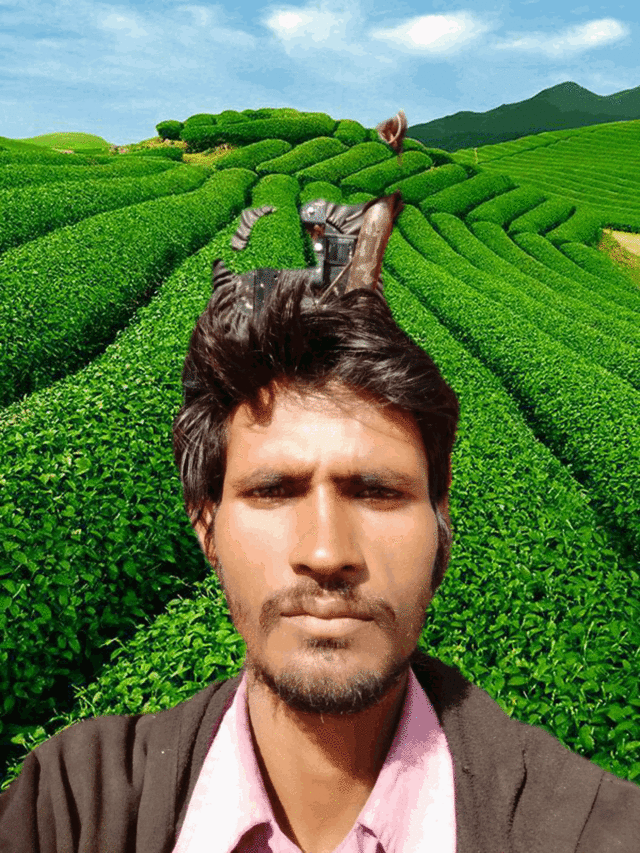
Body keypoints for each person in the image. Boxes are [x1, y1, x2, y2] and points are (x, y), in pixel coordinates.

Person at [1, 193, 639, 853]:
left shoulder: (592, 833)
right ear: (205, 524)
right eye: (273, 491)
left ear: (441, 521)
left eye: (378, 492)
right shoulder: (72, 808)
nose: (327, 552)